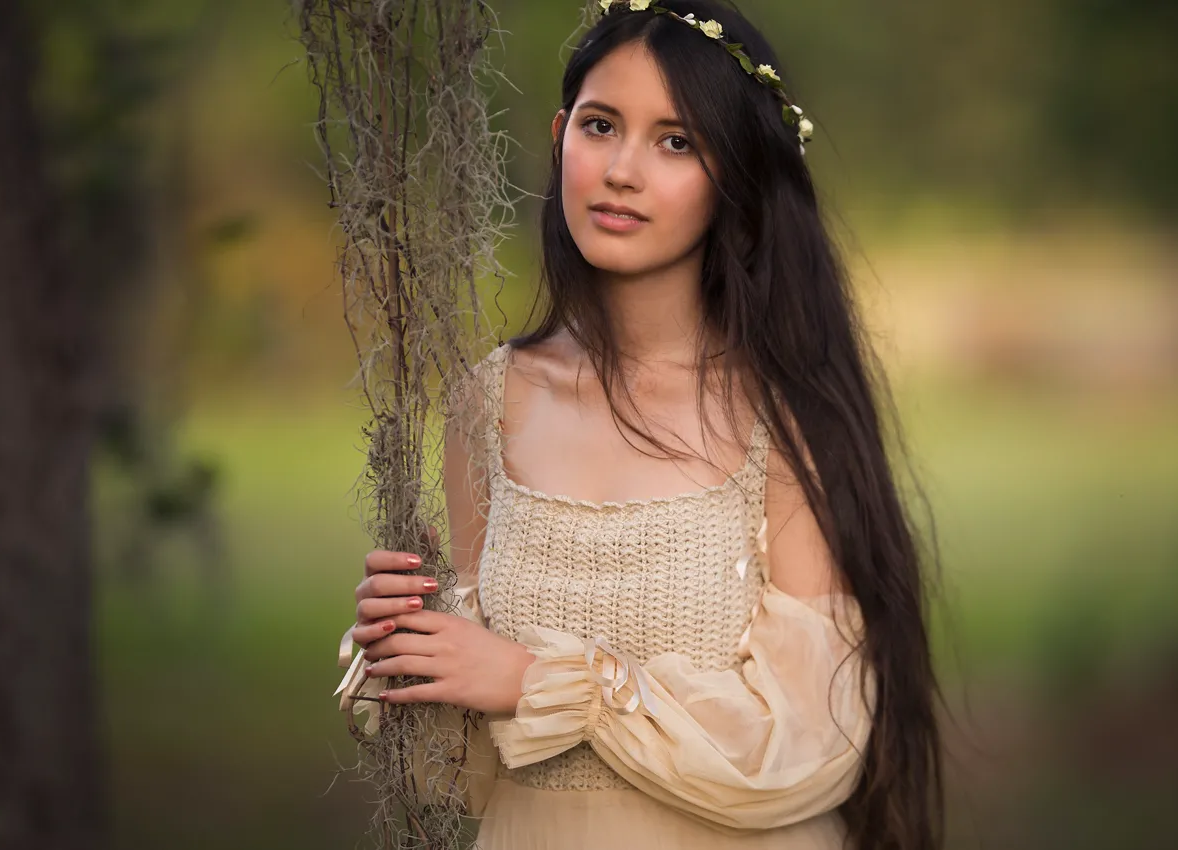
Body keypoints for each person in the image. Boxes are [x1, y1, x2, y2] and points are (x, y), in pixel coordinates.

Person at [336, 1, 944, 847]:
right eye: (600, 125)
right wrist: (404, 645)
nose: (622, 170)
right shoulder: (489, 400)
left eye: (676, 142)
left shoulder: (783, 415)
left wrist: (544, 684)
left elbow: (809, 742)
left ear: (735, 173)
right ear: (558, 136)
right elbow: (456, 771)